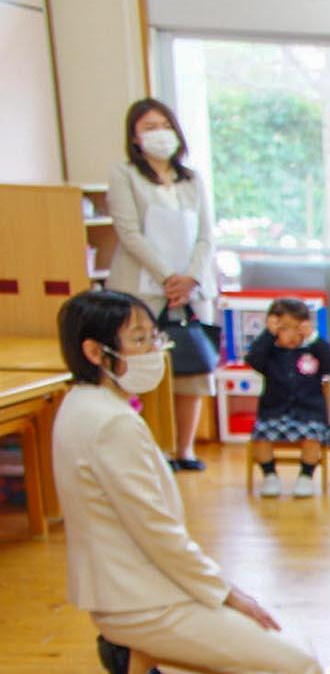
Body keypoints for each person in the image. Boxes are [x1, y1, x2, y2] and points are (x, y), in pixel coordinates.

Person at [50, 289, 320, 674]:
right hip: (142, 602)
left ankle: (140, 649)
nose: (154, 350)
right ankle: (138, 650)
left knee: (278, 634)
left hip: (132, 592)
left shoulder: (81, 404)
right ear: (94, 352)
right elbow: (157, 532)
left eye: (153, 337)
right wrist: (226, 593)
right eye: (139, 340)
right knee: (299, 665)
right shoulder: (111, 423)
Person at [104, 98, 216, 471]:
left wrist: (190, 278)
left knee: (191, 370)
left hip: (189, 292)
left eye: (164, 125)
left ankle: (184, 449)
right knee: (141, 368)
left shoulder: (192, 179)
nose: (159, 134)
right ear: (135, 137)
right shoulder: (125, 175)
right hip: (143, 289)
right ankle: (149, 452)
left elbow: (206, 236)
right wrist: (169, 277)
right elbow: (129, 233)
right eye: (149, 127)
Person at [244, 298, 330, 500]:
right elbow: (253, 359)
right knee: (261, 435)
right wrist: (267, 335)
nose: (291, 335)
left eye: (297, 328)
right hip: (274, 413)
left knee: (312, 436)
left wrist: (313, 338)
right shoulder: (270, 353)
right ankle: (270, 475)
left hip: (309, 414)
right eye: (284, 329)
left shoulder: (312, 350)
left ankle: (306, 475)